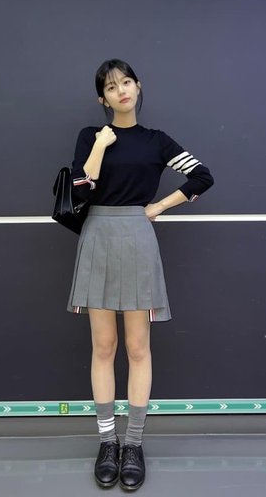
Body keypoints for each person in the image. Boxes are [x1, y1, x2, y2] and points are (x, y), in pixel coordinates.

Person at [66, 58, 214, 491]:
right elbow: (81, 185)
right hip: (97, 234)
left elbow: (202, 176)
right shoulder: (91, 136)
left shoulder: (156, 140)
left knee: (136, 347)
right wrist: (101, 144)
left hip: (137, 236)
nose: (122, 91)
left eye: (127, 82)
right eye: (112, 87)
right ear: (103, 99)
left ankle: (132, 443)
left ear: (138, 86)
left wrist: (159, 206)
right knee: (103, 346)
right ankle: (106, 442)